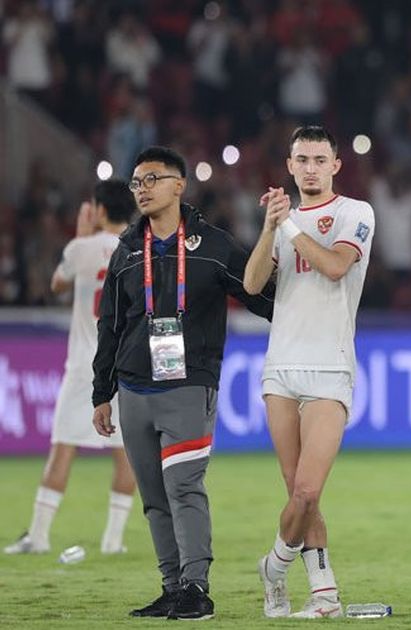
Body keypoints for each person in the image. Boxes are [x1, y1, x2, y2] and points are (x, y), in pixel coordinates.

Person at [92, 146, 275, 620]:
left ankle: (197, 587)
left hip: (189, 385)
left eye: (151, 179)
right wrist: (101, 393)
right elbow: (110, 323)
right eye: (136, 183)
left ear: (179, 185)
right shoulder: (128, 249)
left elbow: (261, 296)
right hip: (134, 390)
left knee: (183, 486)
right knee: (153, 497)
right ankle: (172, 588)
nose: (142, 190)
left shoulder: (213, 245)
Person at [244, 126, 375, 619]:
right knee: (295, 491)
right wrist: (268, 228)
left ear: (336, 165)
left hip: (329, 365)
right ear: (290, 164)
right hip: (280, 366)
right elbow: (255, 283)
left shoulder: (355, 213)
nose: (311, 167)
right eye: (303, 159)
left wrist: (291, 229)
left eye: (321, 159)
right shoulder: (282, 221)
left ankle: (274, 569)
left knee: (308, 491)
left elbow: (337, 266)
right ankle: (325, 594)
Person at [6, 182, 137, 557]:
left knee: (63, 446)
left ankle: (40, 535)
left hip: (84, 366)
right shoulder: (138, 249)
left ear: (97, 209)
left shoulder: (81, 249)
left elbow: (57, 283)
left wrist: (81, 237)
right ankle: (113, 541)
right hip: (124, 365)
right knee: (124, 451)